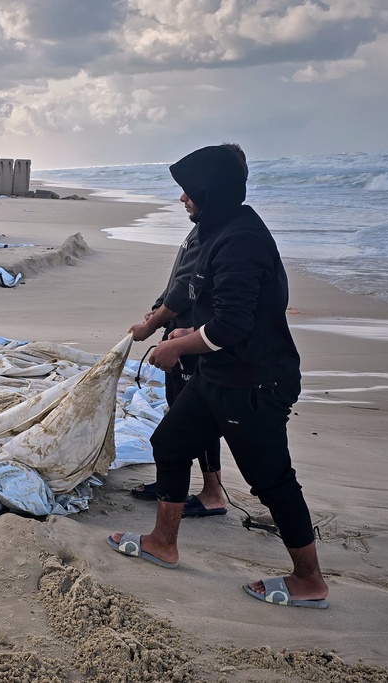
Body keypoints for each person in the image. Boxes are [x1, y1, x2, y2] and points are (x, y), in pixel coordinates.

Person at [107, 144, 329, 610]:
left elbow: (232, 326)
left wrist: (173, 345)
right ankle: (162, 543)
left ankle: (309, 580)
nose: (182, 198)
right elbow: (213, 306)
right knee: (169, 443)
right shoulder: (217, 229)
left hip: (254, 384)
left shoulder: (242, 239)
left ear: (211, 190)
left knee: (271, 482)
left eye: (188, 190)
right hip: (219, 375)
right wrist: (187, 328)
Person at [124, 146, 251, 517]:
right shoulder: (204, 229)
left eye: (191, 188)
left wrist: (151, 324)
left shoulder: (220, 234)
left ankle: (212, 492)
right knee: (178, 410)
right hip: (182, 332)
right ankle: (173, 484)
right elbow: (178, 281)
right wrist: (158, 309)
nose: (182, 196)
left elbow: (184, 292)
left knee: (195, 416)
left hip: (195, 339)